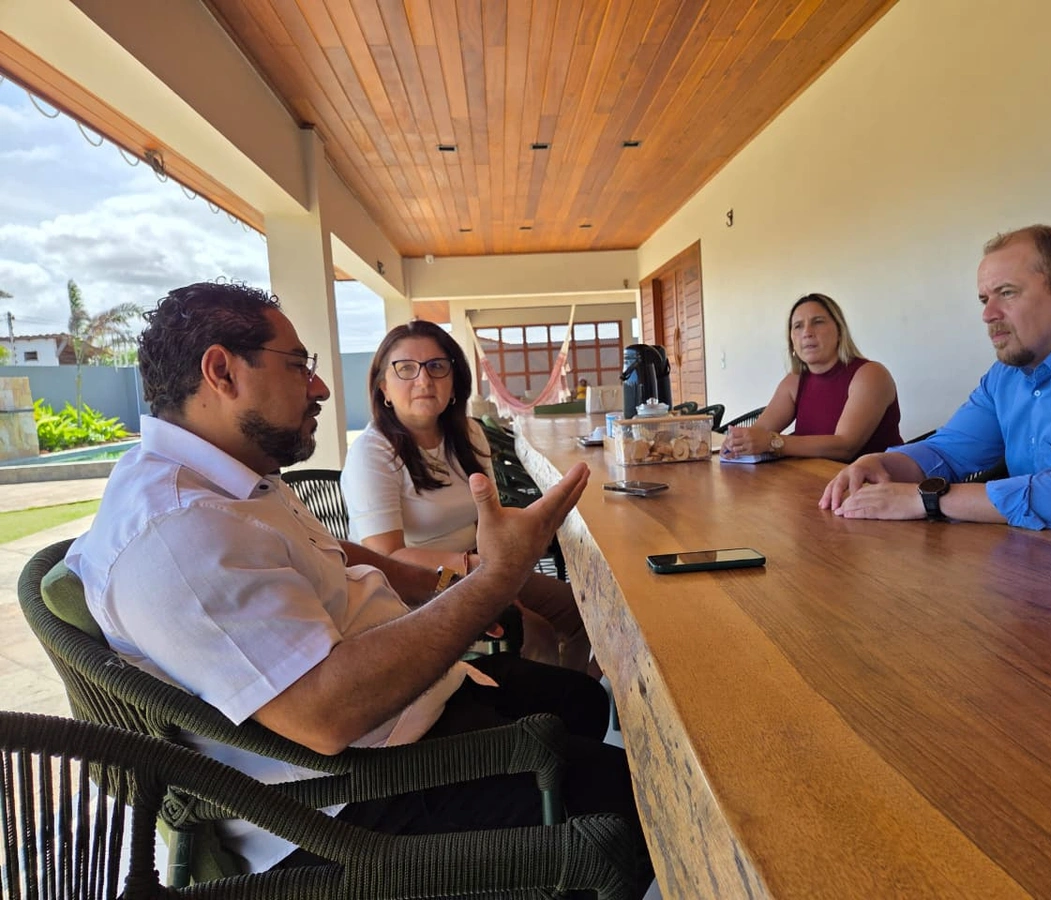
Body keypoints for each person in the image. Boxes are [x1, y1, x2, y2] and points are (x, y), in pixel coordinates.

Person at [65, 283, 651, 891]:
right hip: (343, 806)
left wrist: (441, 586)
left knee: (581, 703)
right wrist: (494, 579)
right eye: (299, 366)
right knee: (630, 801)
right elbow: (326, 716)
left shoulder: (226, 480)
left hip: (402, 715)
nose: (319, 388)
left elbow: (338, 551)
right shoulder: (179, 533)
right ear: (221, 371)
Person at [820, 225, 1051, 548]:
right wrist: (882, 464)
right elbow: (949, 451)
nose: (988, 314)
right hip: (1048, 566)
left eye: (1007, 293)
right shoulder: (1007, 375)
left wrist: (931, 500)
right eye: (984, 299)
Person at [341, 321, 592, 672]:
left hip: (483, 568)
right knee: (538, 630)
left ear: (454, 381)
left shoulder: (469, 433)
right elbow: (386, 555)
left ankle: (579, 701)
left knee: (587, 616)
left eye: (437, 367)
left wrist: (499, 561)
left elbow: (486, 518)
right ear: (383, 387)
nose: (424, 380)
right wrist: (480, 569)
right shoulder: (372, 452)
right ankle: (541, 710)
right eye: (406, 369)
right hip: (414, 588)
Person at [721, 292, 903, 461]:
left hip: (873, 487)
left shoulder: (871, 374)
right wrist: (739, 442)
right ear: (791, 340)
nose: (807, 332)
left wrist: (772, 442)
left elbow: (845, 446)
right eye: (798, 326)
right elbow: (760, 431)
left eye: (818, 322)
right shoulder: (794, 381)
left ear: (839, 331)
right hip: (813, 483)